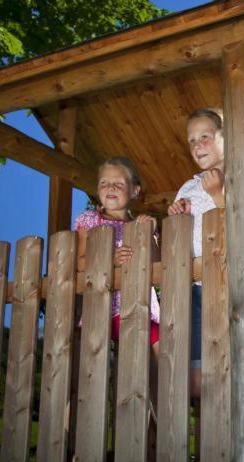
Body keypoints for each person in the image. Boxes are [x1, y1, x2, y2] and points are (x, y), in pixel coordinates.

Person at [74, 156, 161, 403]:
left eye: (118, 183)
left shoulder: (138, 225)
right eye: (104, 183)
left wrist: (151, 233)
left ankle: (156, 410)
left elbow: (157, 266)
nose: (110, 188)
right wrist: (108, 259)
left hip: (143, 305)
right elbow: (79, 263)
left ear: (134, 190)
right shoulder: (89, 221)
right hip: (108, 308)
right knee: (120, 367)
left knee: (160, 363)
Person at [168, 107, 225, 399]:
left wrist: (218, 194)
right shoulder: (188, 186)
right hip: (192, 286)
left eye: (205, 136)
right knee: (196, 381)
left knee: (225, 366)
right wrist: (178, 213)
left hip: (226, 285)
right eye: (192, 140)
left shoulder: (239, 175)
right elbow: (177, 232)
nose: (197, 144)